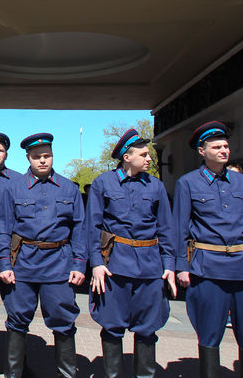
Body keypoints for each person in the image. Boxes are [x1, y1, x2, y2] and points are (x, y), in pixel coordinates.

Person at [174, 121, 243, 378]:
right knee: (209, 331)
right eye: (217, 147)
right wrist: (181, 266)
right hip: (209, 267)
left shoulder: (240, 181)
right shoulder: (188, 183)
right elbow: (180, 227)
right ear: (202, 152)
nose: (224, 151)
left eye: (226, 146)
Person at [86, 128, 176, 378]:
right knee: (113, 326)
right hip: (114, 266)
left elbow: (166, 228)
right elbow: (92, 227)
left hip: (149, 267)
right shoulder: (103, 183)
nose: (149, 159)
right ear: (127, 156)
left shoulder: (156, 186)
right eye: (144, 154)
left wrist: (169, 265)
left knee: (148, 327)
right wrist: (95, 263)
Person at [0, 133, 86, 378]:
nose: (42, 161)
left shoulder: (70, 188)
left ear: (52, 156)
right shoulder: (13, 189)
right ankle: (13, 374)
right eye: (37, 157)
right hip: (23, 264)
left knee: (64, 321)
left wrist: (79, 264)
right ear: (28, 158)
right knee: (17, 320)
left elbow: (80, 229)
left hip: (59, 264)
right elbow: (3, 228)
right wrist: (4, 264)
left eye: (46, 156)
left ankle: (66, 374)